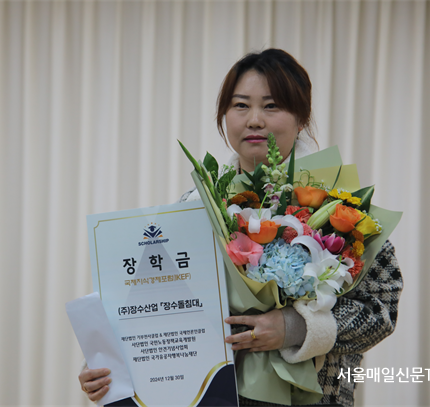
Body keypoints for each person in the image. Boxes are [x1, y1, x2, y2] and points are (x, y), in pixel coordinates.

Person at [78, 49, 402, 407]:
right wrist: (109, 363)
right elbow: (154, 305)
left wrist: (294, 327)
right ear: (224, 115)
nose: (255, 120)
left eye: (272, 106)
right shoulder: (193, 206)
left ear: (301, 117)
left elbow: (381, 310)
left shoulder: (341, 205)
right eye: (241, 105)